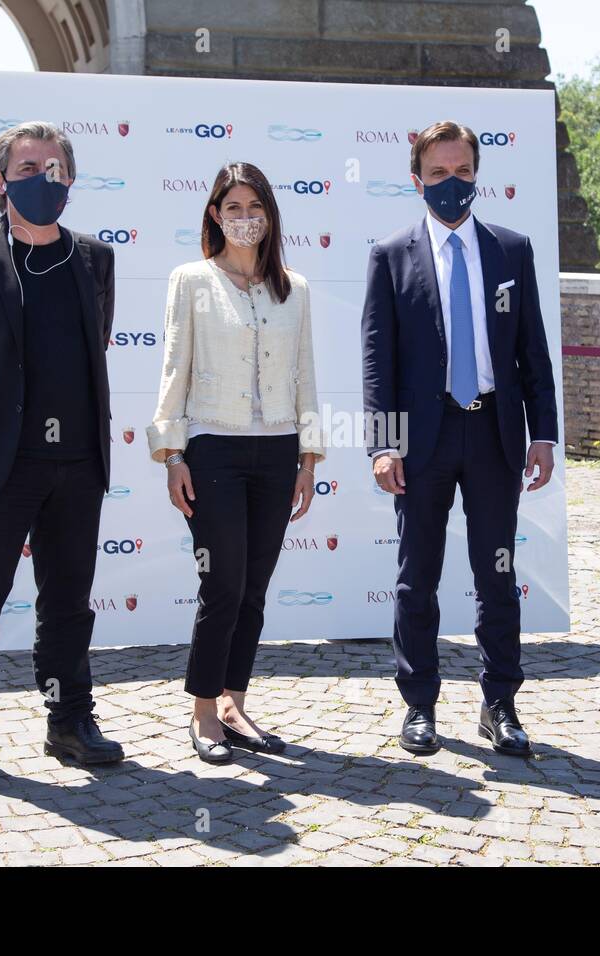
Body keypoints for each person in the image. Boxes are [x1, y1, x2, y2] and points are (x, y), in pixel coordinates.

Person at [0, 121, 123, 794]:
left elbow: (98, 341)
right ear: (0, 181)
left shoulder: (95, 259)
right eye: (29, 166)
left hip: (78, 464)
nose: (45, 177)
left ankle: (69, 721)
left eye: (56, 166)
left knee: (68, 602)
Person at [361, 120, 559, 758]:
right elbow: (377, 361)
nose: (453, 185)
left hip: (496, 433)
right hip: (422, 442)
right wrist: (383, 444)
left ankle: (499, 702)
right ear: (417, 179)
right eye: (440, 174)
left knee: (496, 575)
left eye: (464, 172)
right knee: (416, 577)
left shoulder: (512, 249)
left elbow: (533, 350)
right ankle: (419, 705)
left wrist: (545, 434)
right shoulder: (390, 255)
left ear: (478, 175)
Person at [147, 161, 324, 764]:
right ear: (214, 215)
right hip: (213, 448)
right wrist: (171, 453)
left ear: (270, 215)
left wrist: (308, 457)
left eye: (255, 208)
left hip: (277, 452)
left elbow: (306, 375)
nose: (245, 219)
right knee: (221, 582)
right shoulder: (191, 280)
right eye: (233, 208)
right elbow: (175, 367)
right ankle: (202, 712)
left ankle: (234, 702)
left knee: (254, 587)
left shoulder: (293, 289)